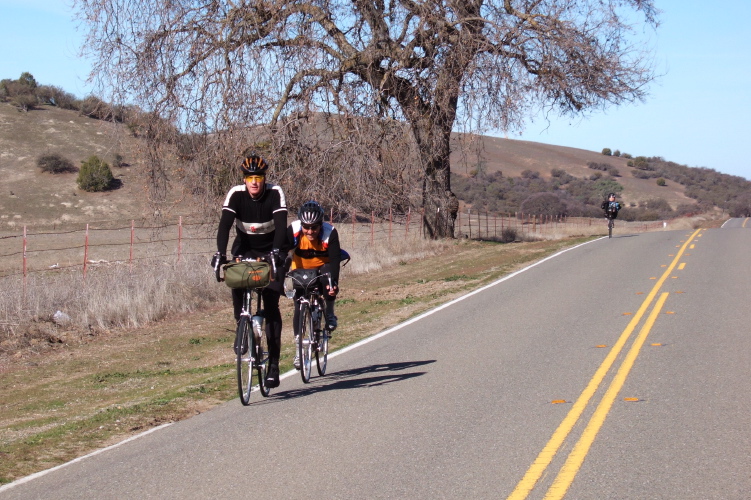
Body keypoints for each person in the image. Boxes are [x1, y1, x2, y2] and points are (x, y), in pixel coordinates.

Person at [212, 153, 287, 388]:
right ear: (244, 179)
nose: (254, 182)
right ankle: (241, 324)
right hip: (245, 247)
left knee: (271, 303)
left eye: (258, 177)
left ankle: (273, 365)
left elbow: (282, 227)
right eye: (249, 177)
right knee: (236, 279)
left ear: (264, 178)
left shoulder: (275, 193)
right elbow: (224, 225)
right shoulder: (236, 194)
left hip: (273, 248)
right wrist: (220, 254)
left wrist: (276, 253)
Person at [285, 201, 342, 370]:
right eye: (306, 227)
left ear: (320, 225)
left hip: (322, 268)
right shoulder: (294, 230)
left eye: (314, 228)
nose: (310, 232)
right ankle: (298, 351)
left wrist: (334, 284)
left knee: (328, 280)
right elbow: (284, 254)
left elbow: (335, 261)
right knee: (298, 306)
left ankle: (330, 313)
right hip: (300, 270)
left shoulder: (329, 232)